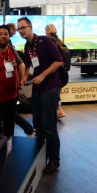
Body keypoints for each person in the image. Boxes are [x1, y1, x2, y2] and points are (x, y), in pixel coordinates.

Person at [20, 17, 63, 173]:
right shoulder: (27, 46)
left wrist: (43, 75)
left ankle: (54, 161)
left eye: (23, 27)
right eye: (18, 29)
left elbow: (58, 61)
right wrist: (27, 76)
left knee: (49, 126)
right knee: (38, 126)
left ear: (30, 27)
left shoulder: (45, 41)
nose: (21, 31)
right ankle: (40, 158)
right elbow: (31, 66)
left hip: (50, 89)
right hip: (37, 90)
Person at [0, 25, 25, 138]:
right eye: (0, 34)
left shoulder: (12, 50)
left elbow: (17, 68)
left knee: (9, 127)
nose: (3, 36)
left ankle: (9, 150)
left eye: (5, 34)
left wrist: (19, 85)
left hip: (12, 97)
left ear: (9, 36)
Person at [45, 24, 66, 118]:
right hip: (62, 71)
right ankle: (60, 110)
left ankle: (55, 112)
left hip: (54, 71)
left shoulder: (50, 42)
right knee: (56, 92)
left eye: (46, 31)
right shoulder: (59, 41)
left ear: (48, 31)